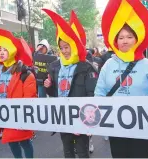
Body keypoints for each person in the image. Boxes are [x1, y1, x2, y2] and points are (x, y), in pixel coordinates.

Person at [96, 0, 148, 158]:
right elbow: (99, 95)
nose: (125, 40)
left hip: (143, 128)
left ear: (137, 39)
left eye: (129, 36)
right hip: (116, 127)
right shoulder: (108, 65)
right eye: (120, 37)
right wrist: (90, 124)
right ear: (115, 40)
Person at [43, 9, 98, 158]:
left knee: (82, 152)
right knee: (67, 151)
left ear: (74, 46)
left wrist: (86, 122)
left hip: (82, 117)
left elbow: (91, 96)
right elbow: (55, 93)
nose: (64, 51)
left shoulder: (86, 67)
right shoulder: (55, 66)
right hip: (63, 116)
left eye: (67, 47)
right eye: (61, 48)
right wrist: (48, 87)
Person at [0, 25, 36, 158]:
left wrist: (24, 116)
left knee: (24, 142)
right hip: (2, 115)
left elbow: (30, 99)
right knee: (11, 142)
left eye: (5, 49)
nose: (2, 52)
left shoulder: (25, 73)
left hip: (19, 116)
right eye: (0, 50)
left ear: (12, 51)